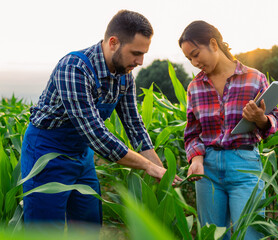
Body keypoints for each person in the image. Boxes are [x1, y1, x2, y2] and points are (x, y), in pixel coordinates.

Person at [20, 9, 181, 231]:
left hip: (81, 154)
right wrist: (146, 166)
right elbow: (95, 134)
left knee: (87, 224)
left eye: (144, 53)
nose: (141, 61)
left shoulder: (124, 77)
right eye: (136, 53)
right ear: (113, 42)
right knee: (46, 230)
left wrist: (162, 172)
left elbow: (135, 127)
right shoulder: (74, 68)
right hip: (46, 152)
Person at [178, 20, 278, 239]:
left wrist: (261, 119)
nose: (194, 62)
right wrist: (196, 160)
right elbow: (192, 133)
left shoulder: (255, 78)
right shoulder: (195, 87)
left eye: (196, 54)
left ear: (213, 44)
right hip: (208, 170)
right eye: (189, 59)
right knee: (212, 236)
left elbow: (274, 120)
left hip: (245, 167)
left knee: (251, 234)